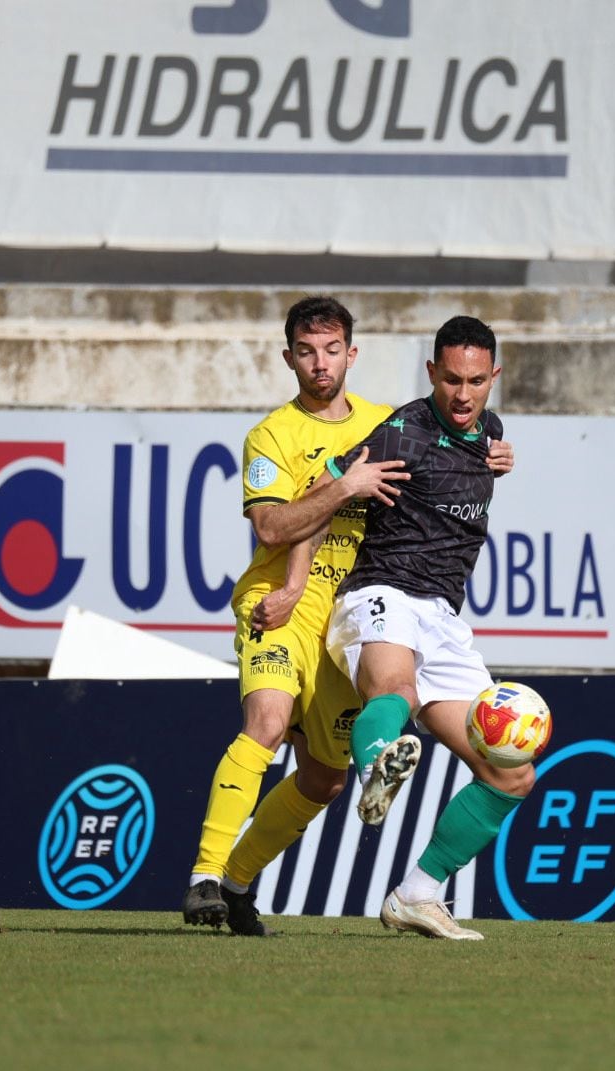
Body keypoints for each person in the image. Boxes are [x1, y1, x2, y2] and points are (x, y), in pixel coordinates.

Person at [181, 297, 513, 936]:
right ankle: (203, 875)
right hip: (283, 605)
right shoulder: (272, 436)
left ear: (351, 355)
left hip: (349, 606)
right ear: (289, 358)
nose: (320, 364)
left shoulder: (386, 420)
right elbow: (278, 523)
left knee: (324, 779)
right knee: (269, 722)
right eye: (306, 352)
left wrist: (495, 451)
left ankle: (237, 883)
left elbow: (462, 433)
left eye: (331, 350)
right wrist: (331, 509)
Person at [321, 314, 534, 942]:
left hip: (443, 617)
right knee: (397, 693)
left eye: (475, 381)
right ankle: (376, 765)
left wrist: (499, 459)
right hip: (381, 591)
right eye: (449, 380)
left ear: (493, 376)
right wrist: (291, 582)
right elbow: (320, 491)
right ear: (431, 373)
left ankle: (418, 894)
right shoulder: (401, 433)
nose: (462, 396)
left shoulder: (487, 429)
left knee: (511, 769)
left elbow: (477, 452)